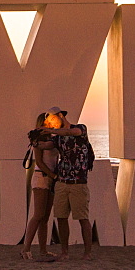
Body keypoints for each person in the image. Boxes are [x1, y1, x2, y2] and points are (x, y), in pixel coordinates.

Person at [43, 111, 94, 260]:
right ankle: (64, 252)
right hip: (62, 182)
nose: (52, 123)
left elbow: (71, 131)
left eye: (53, 119)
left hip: (79, 182)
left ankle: (87, 253)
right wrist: (35, 138)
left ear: (61, 116)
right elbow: (45, 146)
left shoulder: (80, 129)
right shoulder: (58, 138)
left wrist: (52, 131)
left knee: (83, 218)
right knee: (61, 217)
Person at [20, 113, 59, 261]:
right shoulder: (38, 138)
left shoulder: (53, 137)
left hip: (50, 177)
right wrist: (53, 176)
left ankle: (43, 250)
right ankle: (26, 248)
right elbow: (40, 162)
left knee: (45, 217)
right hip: (42, 177)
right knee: (38, 215)